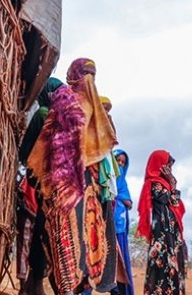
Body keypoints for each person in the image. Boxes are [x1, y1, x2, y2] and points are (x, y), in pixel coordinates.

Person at [27, 58, 118, 294]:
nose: (88, 80)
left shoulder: (71, 106)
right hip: (80, 191)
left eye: (91, 75)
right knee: (75, 245)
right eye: (87, 74)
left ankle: (65, 286)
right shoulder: (86, 109)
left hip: (70, 190)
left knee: (69, 245)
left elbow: (44, 150)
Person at [17, 77, 64, 295]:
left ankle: (33, 284)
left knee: (37, 232)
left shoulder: (43, 114)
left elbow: (24, 152)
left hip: (39, 184)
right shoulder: (69, 121)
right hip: (61, 189)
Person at [138, 149, 187, 295]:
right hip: (162, 231)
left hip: (172, 231)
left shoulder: (166, 184)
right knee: (161, 263)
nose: (170, 170)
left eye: (171, 167)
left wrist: (172, 184)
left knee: (173, 263)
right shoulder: (154, 183)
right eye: (168, 166)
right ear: (159, 165)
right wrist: (172, 183)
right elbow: (166, 200)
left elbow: (176, 204)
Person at [111, 149, 135, 295]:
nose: (120, 165)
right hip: (111, 226)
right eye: (117, 161)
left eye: (123, 163)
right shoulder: (110, 178)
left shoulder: (122, 181)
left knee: (120, 263)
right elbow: (125, 199)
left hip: (120, 226)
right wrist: (124, 200)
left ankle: (118, 290)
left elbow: (129, 202)